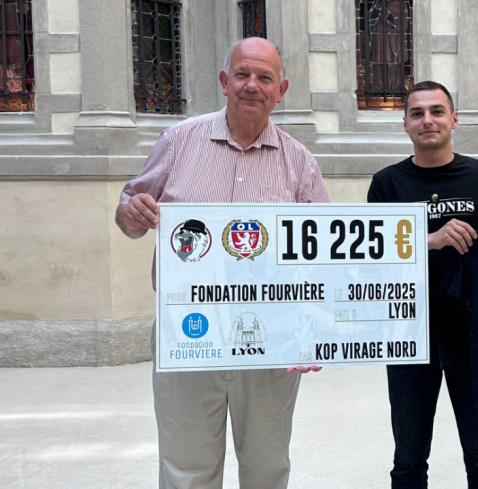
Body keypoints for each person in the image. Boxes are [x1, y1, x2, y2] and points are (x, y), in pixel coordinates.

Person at [115, 37, 328, 489]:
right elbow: (132, 211)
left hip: (271, 334)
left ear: (281, 90)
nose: (252, 85)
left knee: (267, 467)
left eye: (265, 77)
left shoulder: (301, 163)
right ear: (224, 81)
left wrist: (309, 330)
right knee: (186, 466)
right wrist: (130, 214)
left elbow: (318, 256)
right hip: (187, 329)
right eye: (242, 74)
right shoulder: (178, 142)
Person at [366, 80, 478, 488]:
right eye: (417, 113)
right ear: (405, 124)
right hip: (408, 333)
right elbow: (371, 260)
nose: (427, 120)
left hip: (472, 334)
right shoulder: (387, 183)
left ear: (454, 119)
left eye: (436, 111)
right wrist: (429, 240)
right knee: (409, 458)